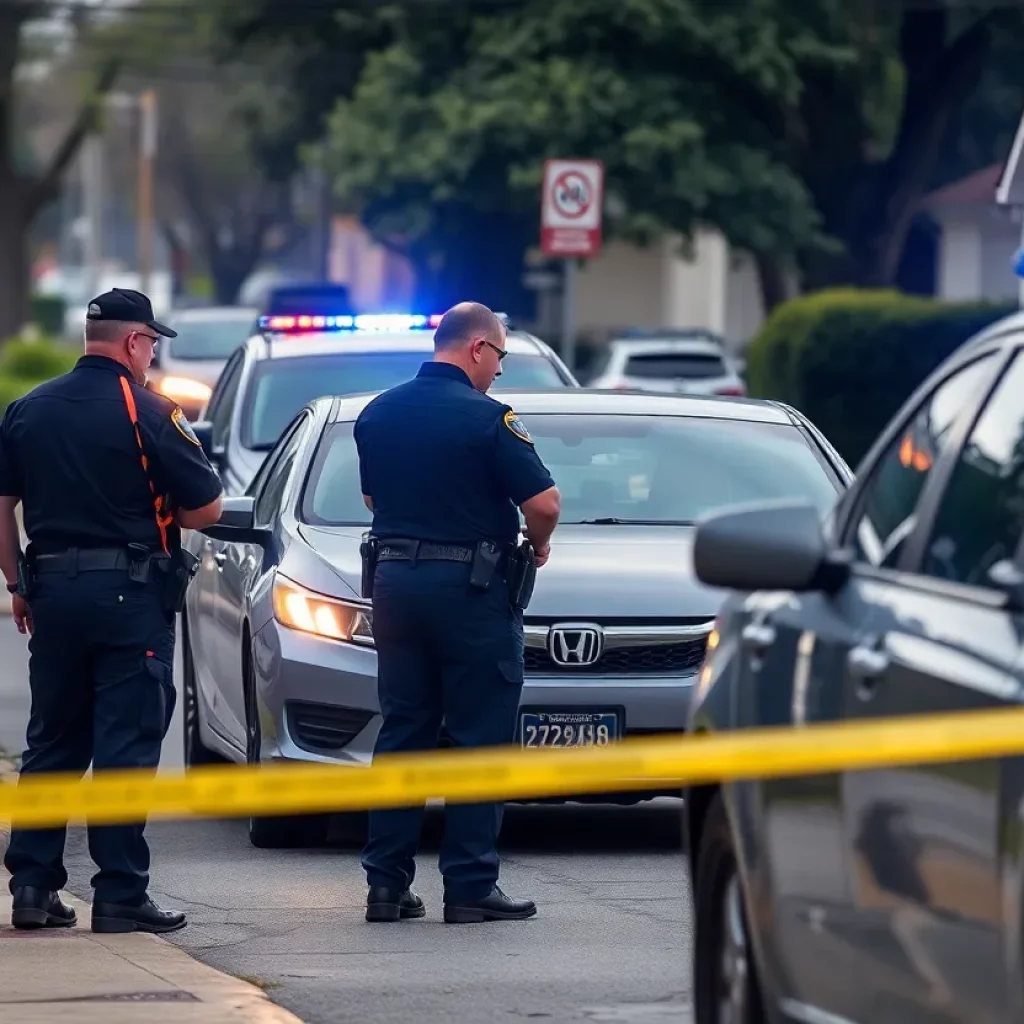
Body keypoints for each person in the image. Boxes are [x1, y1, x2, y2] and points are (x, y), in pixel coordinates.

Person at [0, 288, 223, 934]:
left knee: (52, 742)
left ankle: (33, 889)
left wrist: (18, 582)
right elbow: (206, 508)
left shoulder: (27, 410)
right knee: (124, 746)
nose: (152, 356)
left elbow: (2, 505)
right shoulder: (151, 411)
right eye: (151, 343)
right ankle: (121, 893)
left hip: (53, 595)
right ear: (132, 343)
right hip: (130, 601)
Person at [355, 301, 561, 925]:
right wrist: (540, 544)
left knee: (402, 733)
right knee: (477, 734)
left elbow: (371, 495)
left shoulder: (378, 411)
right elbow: (545, 502)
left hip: (395, 584)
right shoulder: (490, 417)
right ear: (476, 349)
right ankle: (470, 886)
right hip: (470, 593)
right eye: (499, 355)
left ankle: (386, 887)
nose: (500, 370)